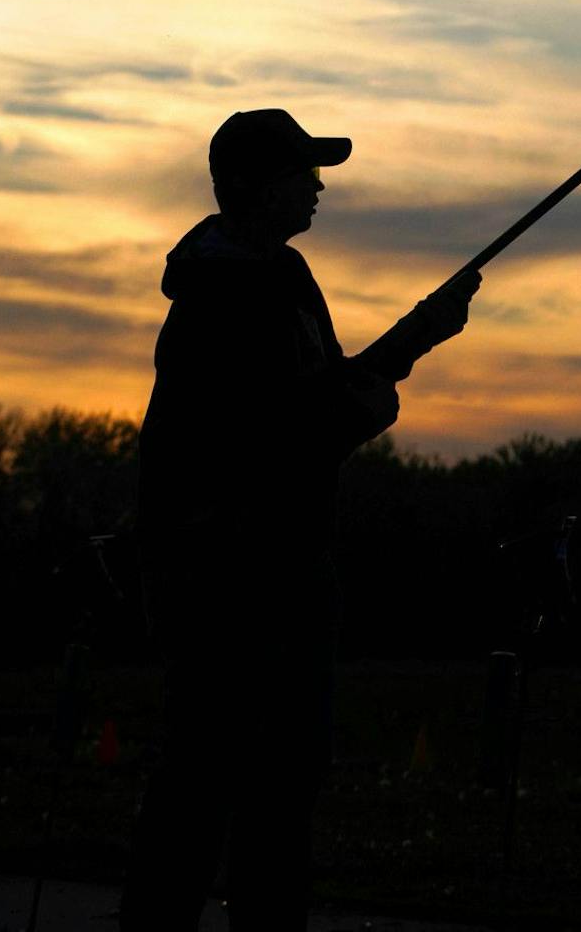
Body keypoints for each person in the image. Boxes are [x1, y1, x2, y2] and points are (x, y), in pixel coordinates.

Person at [122, 108, 479, 931]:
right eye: (301, 175)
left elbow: (313, 398)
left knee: (271, 797)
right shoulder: (220, 302)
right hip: (229, 589)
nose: (318, 188)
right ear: (249, 187)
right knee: (206, 797)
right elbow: (282, 440)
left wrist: (416, 338)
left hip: (285, 580)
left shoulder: (283, 277)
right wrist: (368, 406)